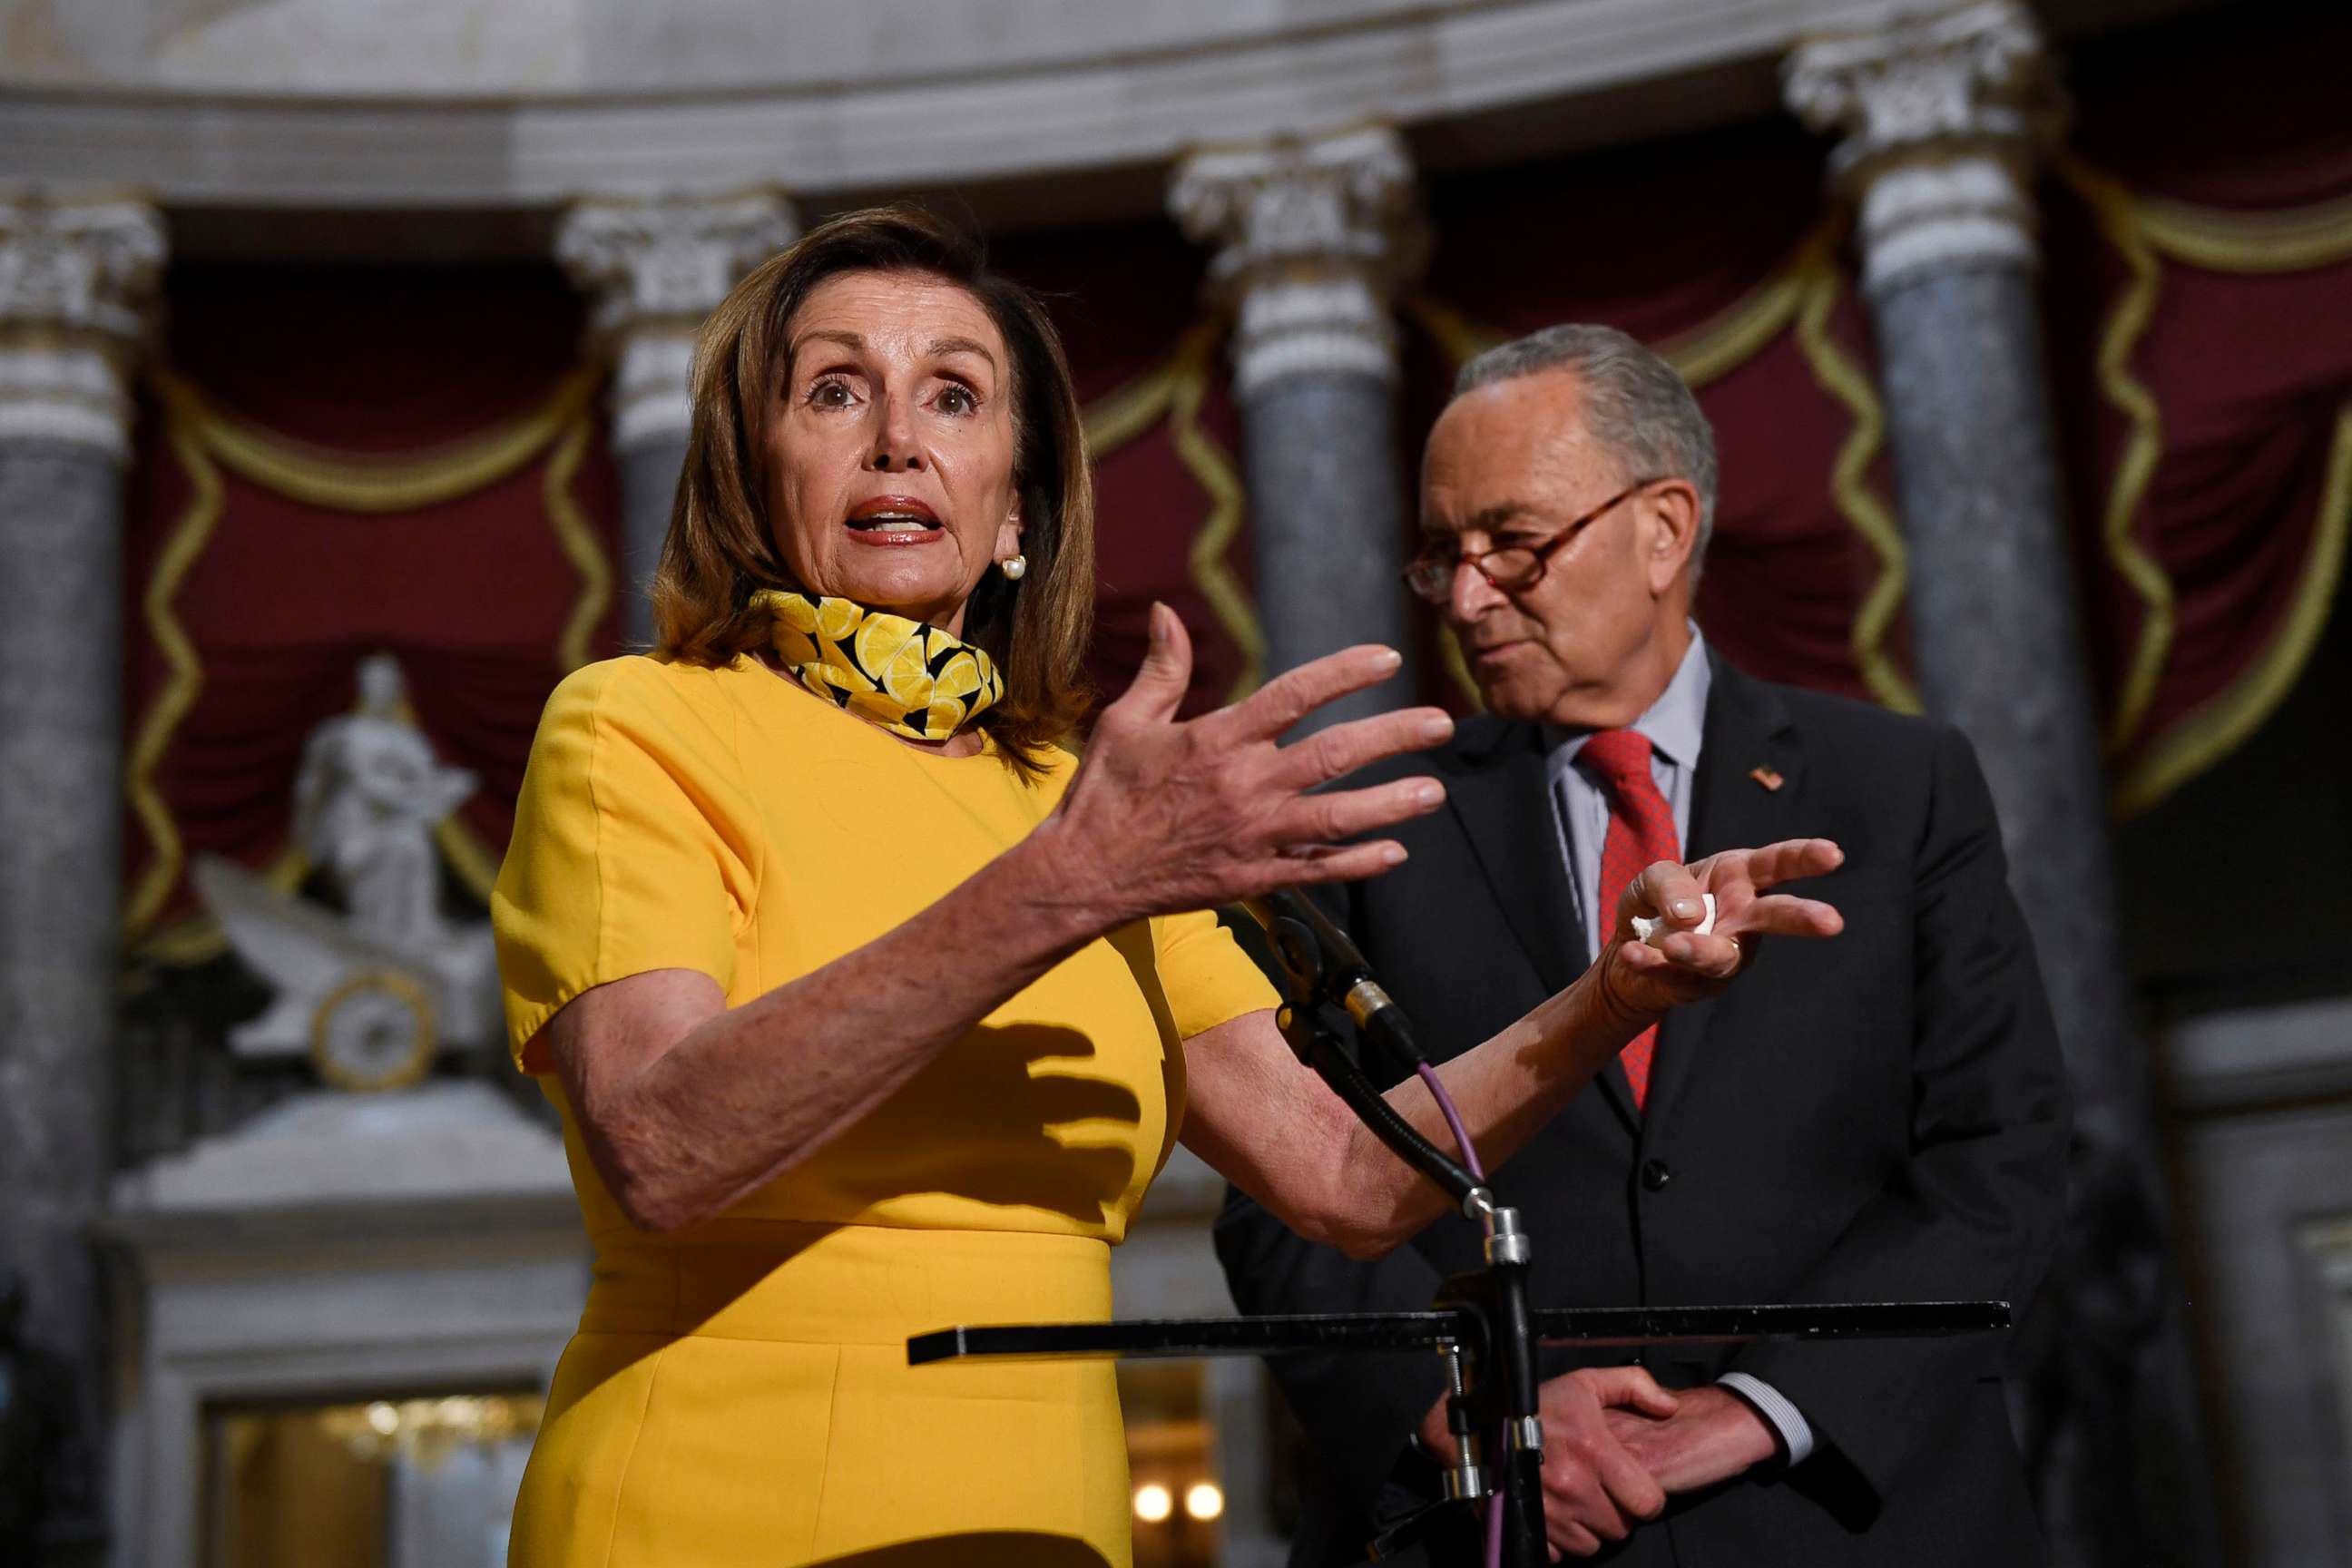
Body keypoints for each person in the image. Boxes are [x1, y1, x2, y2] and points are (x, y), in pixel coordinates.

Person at [491, 214, 1844, 1568]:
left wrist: (1615, 990)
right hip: (716, 1507)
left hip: (1044, 1519)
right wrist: (1063, 889)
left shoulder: (1080, 807)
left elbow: (1346, 1179)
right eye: (835, 390)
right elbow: (661, 1147)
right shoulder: (640, 727)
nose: (897, 437)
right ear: (751, 462)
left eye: (954, 395)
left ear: (1014, 508)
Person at [1214, 324, 2071, 1566]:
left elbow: (2001, 1155)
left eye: (1514, 543)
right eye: (1443, 556)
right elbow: (1284, 1190)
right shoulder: (1373, 827)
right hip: (1498, 1526)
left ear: (1665, 528)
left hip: (1842, 1515)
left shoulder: (1899, 789)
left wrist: (1757, 1411)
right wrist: (1475, 1422)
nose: (1468, 597)